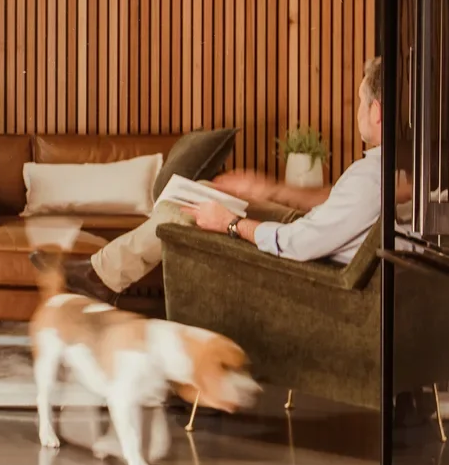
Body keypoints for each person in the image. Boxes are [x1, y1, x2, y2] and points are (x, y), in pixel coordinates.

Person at [48, 56, 386, 300]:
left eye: (360, 101)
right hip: (316, 233)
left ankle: (100, 276)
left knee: (182, 213)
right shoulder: (388, 172)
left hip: (304, 259)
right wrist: (269, 190)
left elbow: (296, 244)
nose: (356, 110)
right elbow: (336, 208)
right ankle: (102, 272)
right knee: (200, 192)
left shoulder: (370, 178)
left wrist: (231, 224)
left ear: (376, 112)